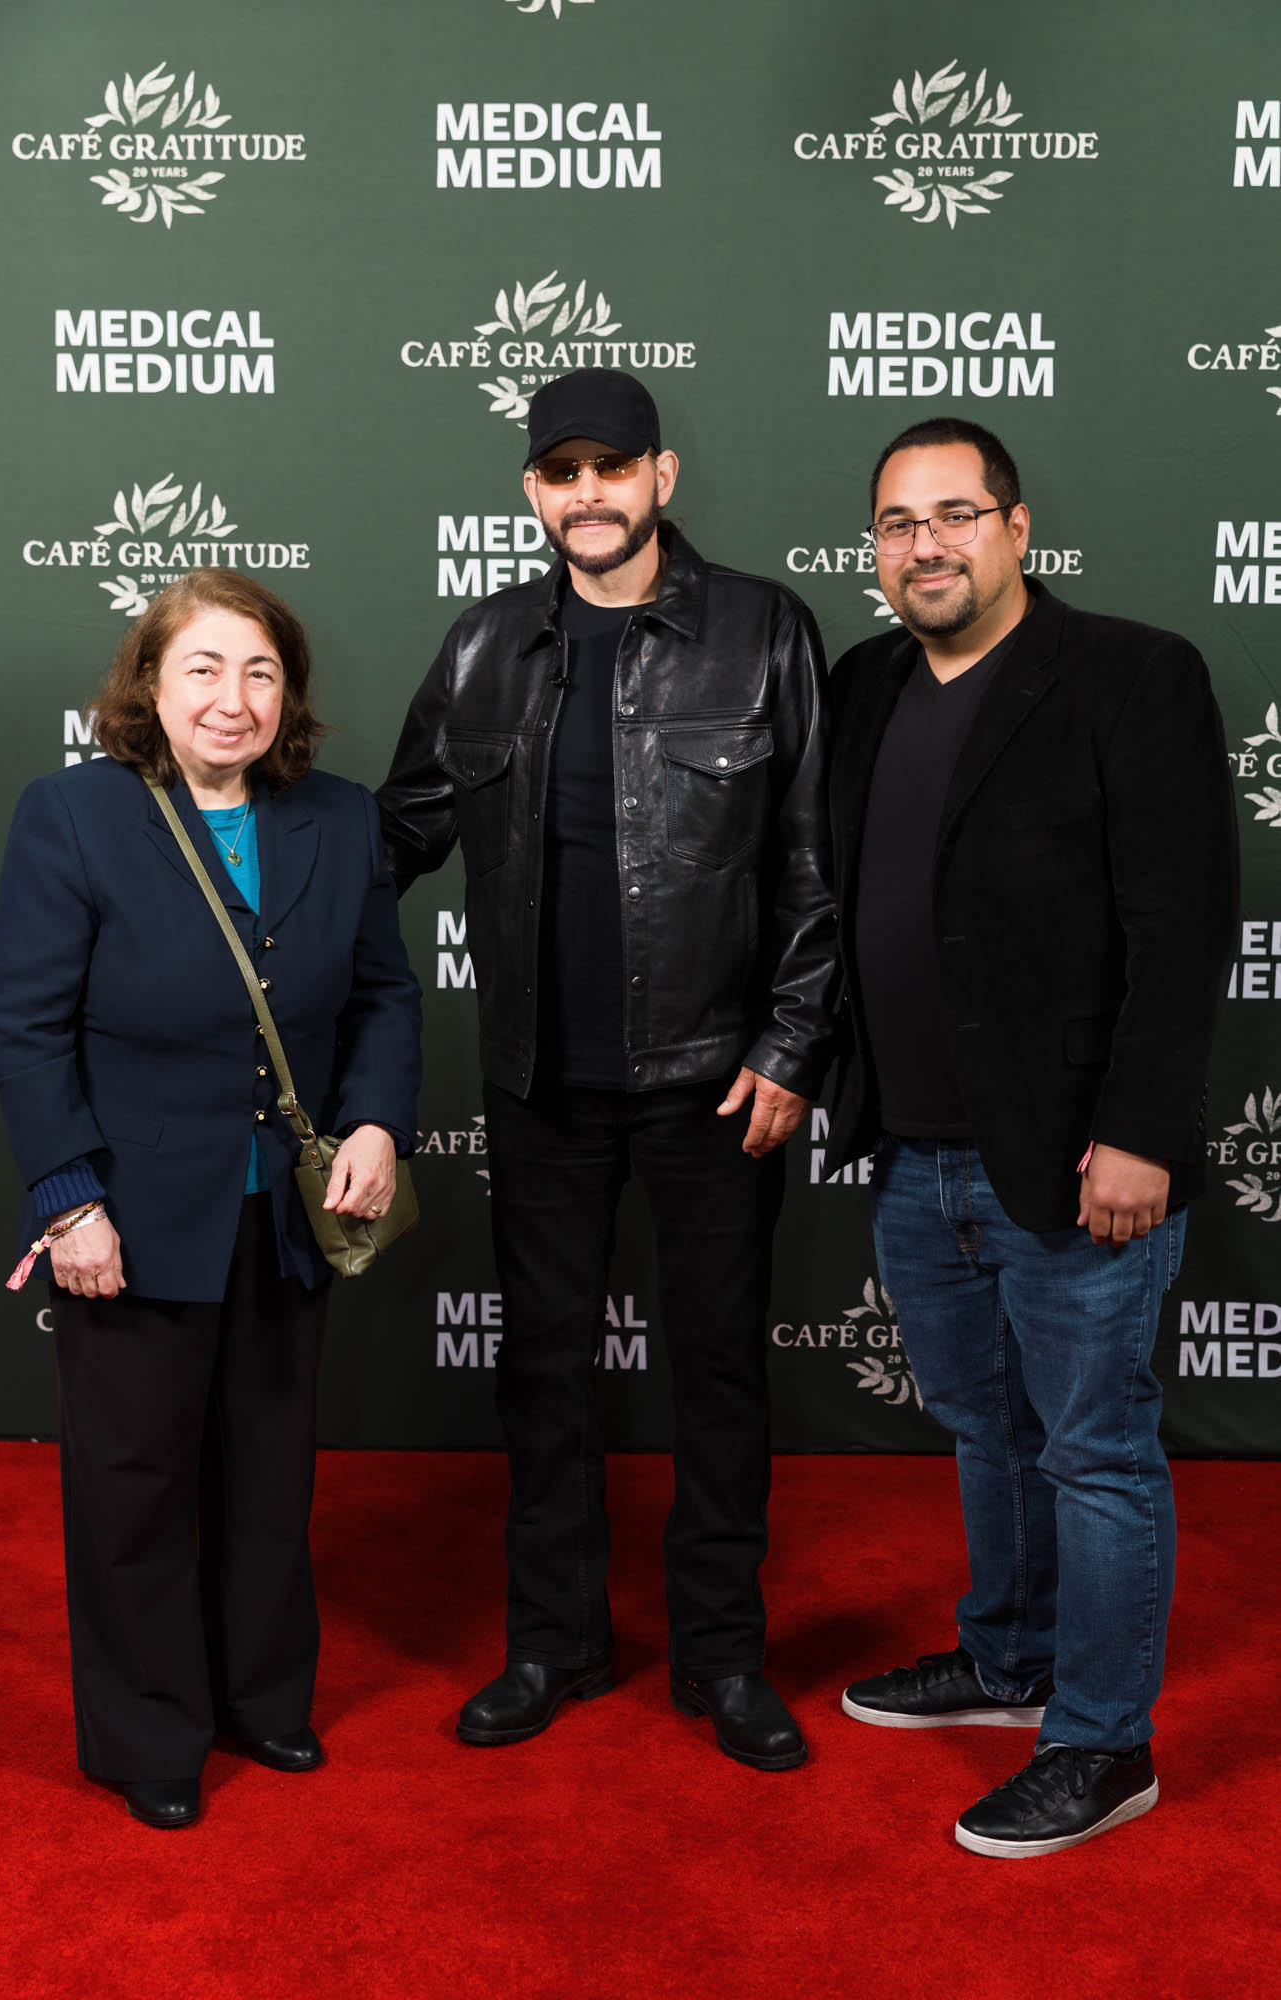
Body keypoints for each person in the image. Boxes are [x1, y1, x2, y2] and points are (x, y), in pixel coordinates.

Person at [378, 367, 834, 1769]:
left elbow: (814, 853)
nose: (589, 493)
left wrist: (791, 1042)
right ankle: (552, 1642)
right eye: (562, 471)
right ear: (533, 490)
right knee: (542, 1375)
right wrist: (219, 854)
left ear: (661, 477)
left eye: (613, 467)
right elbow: (394, 833)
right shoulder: (482, 646)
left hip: (715, 1080)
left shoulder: (762, 629)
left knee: (720, 1376)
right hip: (538, 1085)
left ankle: (723, 1657)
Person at [825, 417, 1237, 1856]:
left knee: (1094, 1449)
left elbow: (1182, 924)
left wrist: (1140, 1132)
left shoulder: (1132, 673)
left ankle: (1102, 1740)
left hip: (1074, 1152)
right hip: (913, 1144)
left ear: (1013, 527)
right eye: (897, 522)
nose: (924, 544)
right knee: (983, 1427)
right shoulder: (863, 682)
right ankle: (1009, 1659)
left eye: (955, 513)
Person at [0, 569, 421, 1830]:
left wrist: (378, 1120)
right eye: (205, 669)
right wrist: (68, 1198)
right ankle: (149, 1732)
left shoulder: (339, 816)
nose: (234, 698)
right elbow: (23, 1025)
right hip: (127, 1212)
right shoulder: (72, 813)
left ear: (290, 694)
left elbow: (385, 993)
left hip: (283, 1211)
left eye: (261, 671)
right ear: (150, 685)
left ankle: (261, 1696)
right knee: (134, 1485)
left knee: (267, 1473)